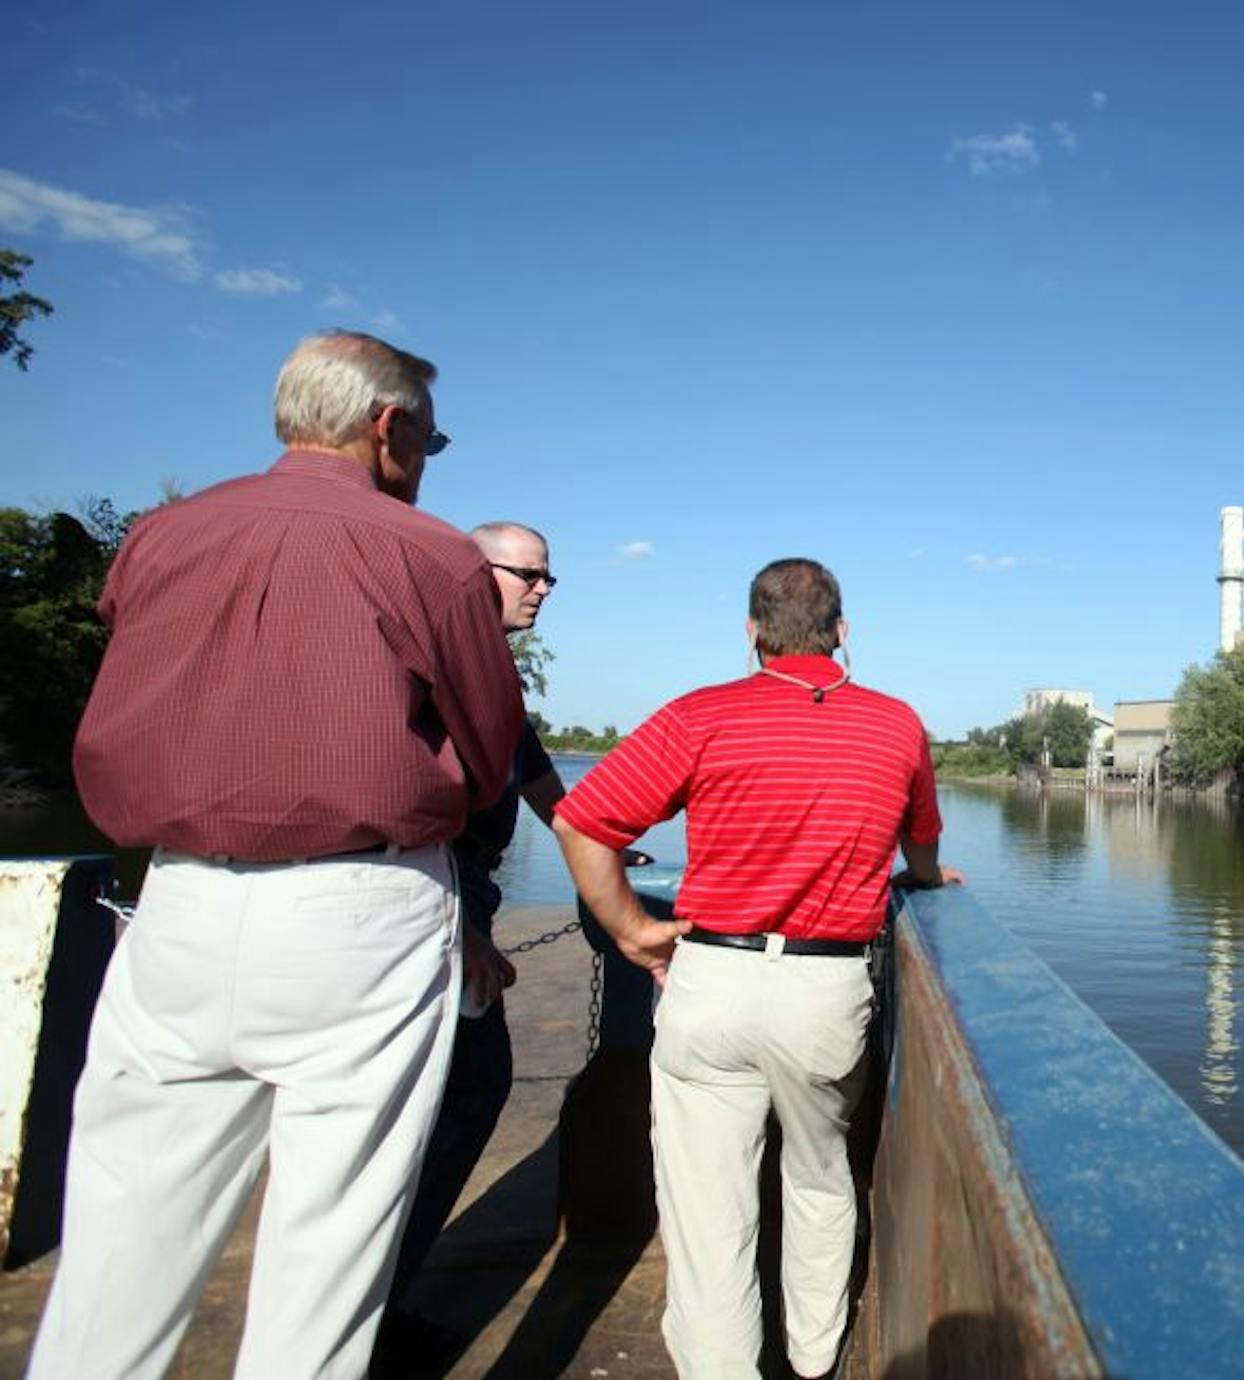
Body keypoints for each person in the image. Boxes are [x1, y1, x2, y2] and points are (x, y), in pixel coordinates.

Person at [32, 331, 526, 1380]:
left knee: (120, 1235)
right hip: (362, 910)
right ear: (387, 426)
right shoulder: (432, 554)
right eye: (430, 441)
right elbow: (488, 756)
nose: (428, 461)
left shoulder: (161, 536)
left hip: (176, 903)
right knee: (327, 1259)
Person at [554, 557, 958, 1380]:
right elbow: (920, 846)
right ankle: (814, 1361)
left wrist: (632, 930)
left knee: (708, 1211)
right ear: (843, 635)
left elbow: (581, 820)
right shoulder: (896, 723)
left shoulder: (703, 714)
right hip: (827, 986)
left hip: (712, 980)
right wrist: (920, 879)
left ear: (751, 634)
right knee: (818, 1177)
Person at [371, 520, 604, 1366]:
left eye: (551, 577)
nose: (544, 588)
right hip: (434, 894)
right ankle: (368, 1311)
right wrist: (460, 924)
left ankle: (369, 1302)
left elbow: (538, 774)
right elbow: (397, 799)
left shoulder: (488, 669)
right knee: (465, 1089)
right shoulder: (431, 654)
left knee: (456, 1094)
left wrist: (602, 844)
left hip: (457, 893)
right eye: (530, 574)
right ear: (476, 572)